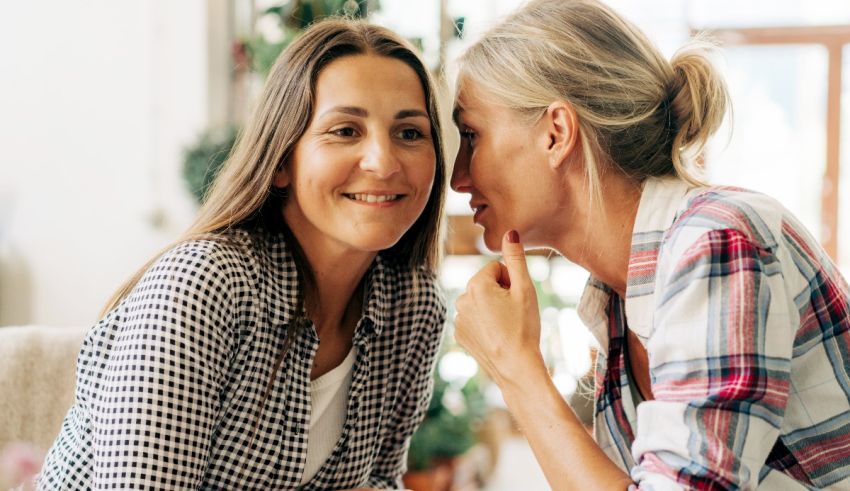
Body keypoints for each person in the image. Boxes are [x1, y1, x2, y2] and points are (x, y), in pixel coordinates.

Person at [449, 0, 850, 489]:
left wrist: (515, 367)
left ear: (556, 133)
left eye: (472, 134)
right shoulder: (619, 298)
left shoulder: (716, 240)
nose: (458, 177)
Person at [38, 19, 447, 491]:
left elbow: (380, 483)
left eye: (410, 133)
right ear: (279, 164)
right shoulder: (202, 285)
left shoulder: (412, 306)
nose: (384, 160)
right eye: (345, 130)